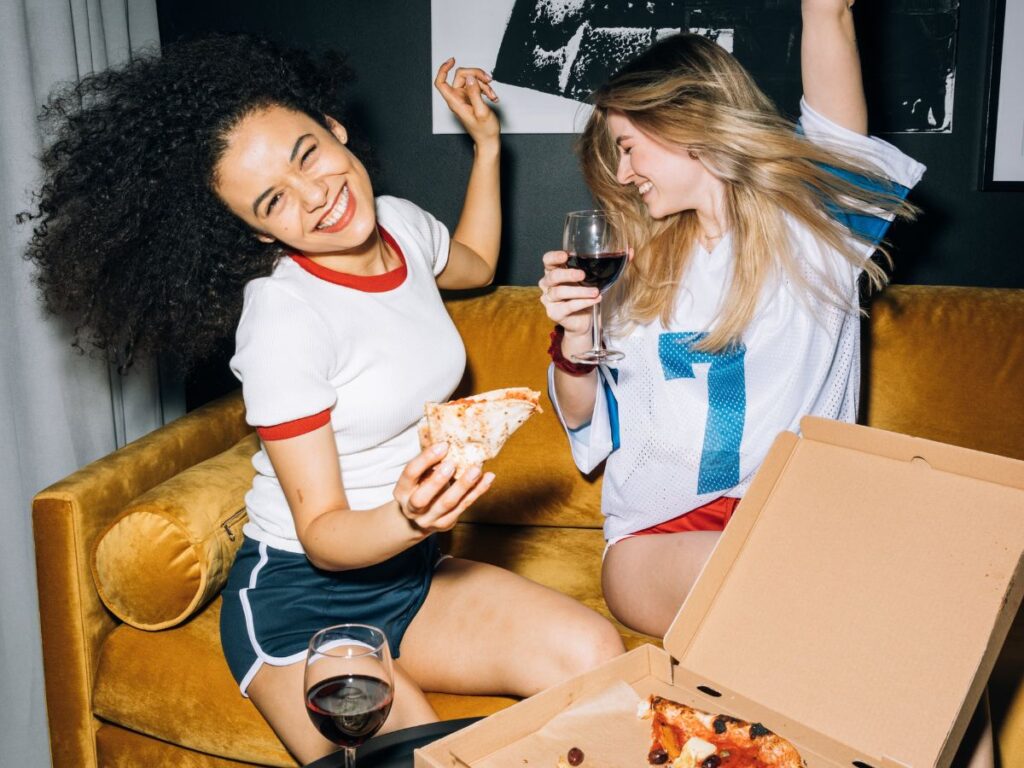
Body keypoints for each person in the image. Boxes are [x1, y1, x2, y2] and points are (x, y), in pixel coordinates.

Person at [23, 35, 624, 762]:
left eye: (305, 153)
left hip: (411, 577)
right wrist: (408, 513)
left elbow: (469, 264)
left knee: (595, 653)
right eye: (274, 200)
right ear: (251, 228)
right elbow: (324, 533)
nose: (316, 197)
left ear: (332, 127)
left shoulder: (397, 223)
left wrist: (489, 148)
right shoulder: (284, 318)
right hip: (303, 605)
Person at [540, 0, 926, 637]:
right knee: (780, 579)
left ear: (687, 123)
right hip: (656, 538)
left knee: (943, 623)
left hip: (795, 520)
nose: (623, 173)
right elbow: (581, 416)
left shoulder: (815, 230)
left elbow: (829, 25)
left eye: (629, 147)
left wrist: (824, 14)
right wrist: (576, 341)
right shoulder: (630, 267)